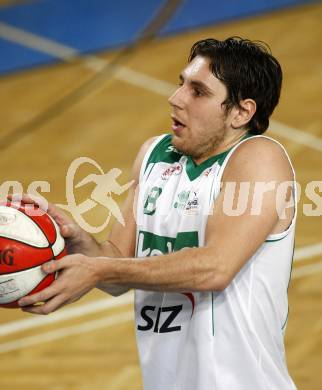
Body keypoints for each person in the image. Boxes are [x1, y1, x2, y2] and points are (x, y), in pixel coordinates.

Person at [17, 37, 297, 390]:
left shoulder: (258, 158)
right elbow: (118, 270)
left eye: (198, 92)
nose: (176, 98)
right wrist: (78, 243)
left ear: (241, 112)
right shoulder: (154, 155)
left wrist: (99, 268)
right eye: (182, 83)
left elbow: (215, 267)